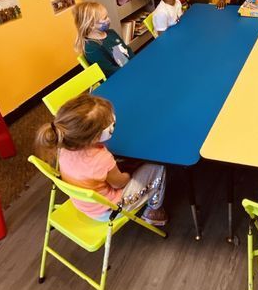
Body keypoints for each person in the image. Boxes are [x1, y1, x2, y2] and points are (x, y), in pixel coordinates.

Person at [36, 94, 167, 225]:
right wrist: (130, 173)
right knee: (157, 166)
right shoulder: (102, 159)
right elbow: (120, 183)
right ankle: (154, 212)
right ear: (94, 138)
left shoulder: (63, 146)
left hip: (85, 205)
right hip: (109, 210)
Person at [74, 1, 133, 78]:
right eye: (105, 18)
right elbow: (109, 70)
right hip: (118, 78)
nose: (108, 19)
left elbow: (127, 50)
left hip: (129, 70)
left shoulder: (111, 33)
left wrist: (135, 63)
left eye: (107, 16)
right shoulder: (91, 48)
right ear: (91, 25)